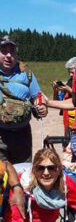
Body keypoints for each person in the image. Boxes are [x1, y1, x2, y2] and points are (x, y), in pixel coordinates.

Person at [0, 35, 47, 163]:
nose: (8, 56)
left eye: (12, 52)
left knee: (23, 174)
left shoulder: (26, 74)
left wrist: (41, 108)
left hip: (22, 135)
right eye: (4, 51)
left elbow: (37, 98)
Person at [52, 57, 76, 137]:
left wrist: (69, 90)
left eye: (72, 73)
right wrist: (55, 90)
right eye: (69, 72)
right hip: (68, 124)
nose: (70, 75)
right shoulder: (69, 83)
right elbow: (57, 103)